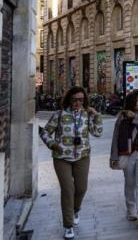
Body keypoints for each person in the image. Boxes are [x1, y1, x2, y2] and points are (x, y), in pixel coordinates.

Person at [40, 86, 103, 240]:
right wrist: (53, 144)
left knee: (81, 188)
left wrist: (96, 115)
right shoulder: (59, 114)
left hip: (82, 156)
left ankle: (75, 209)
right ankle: (68, 226)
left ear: (84, 100)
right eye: (74, 99)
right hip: (62, 157)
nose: (77, 102)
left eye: (81, 100)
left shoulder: (86, 115)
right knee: (68, 190)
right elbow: (44, 132)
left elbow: (98, 132)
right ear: (69, 99)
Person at [110, 91, 138, 226]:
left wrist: (134, 116)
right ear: (131, 102)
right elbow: (115, 137)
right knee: (130, 183)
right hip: (127, 154)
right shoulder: (122, 117)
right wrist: (114, 156)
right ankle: (131, 209)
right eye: (137, 100)